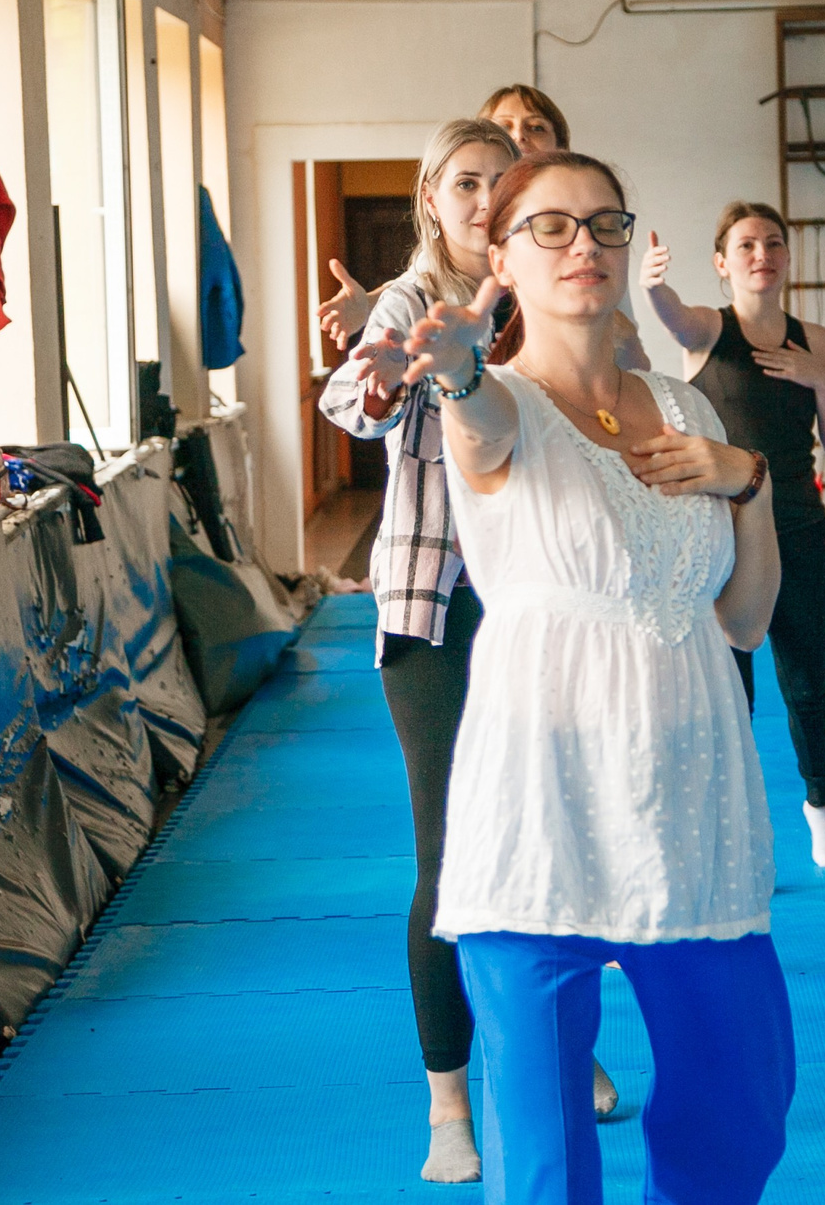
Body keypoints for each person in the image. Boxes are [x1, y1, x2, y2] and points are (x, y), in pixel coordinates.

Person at [399, 149, 794, 1205]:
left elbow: (745, 618)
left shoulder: (688, 409)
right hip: (540, 803)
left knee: (742, 1110)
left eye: (605, 223)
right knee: (544, 1159)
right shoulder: (499, 402)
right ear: (502, 258)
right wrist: (460, 371)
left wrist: (748, 483)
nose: (584, 245)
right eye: (551, 226)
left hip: (690, 798)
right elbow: (479, 424)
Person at [314, 119, 615, 1181]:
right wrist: (387, 375)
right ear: (431, 200)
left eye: (501, 183)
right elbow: (352, 401)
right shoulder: (409, 302)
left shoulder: (540, 292)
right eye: (466, 183)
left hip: (543, 599)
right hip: (437, 611)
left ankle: (553, 1048)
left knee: (557, 837)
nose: (485, 200)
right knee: (449, 857)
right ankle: (449, 1098)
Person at [642, 201, 825, 868]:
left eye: (773, 243)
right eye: (746, 245)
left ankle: (820, 802)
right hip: (722, 528)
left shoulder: (816, 340)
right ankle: (731, 816)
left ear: (787, 256)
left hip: (798, 522)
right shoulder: (709, 329)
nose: (761, 254)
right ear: (723, 262)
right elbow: (675, 317)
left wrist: (821, 380)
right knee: (728, 682)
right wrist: (652, 285)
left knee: (807, 674)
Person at [477, 83, 649, 373]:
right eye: (504, 126)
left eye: (536, 128)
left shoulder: (594, 241)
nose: (519, 136)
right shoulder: (465, 232)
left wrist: (621, 335)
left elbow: (634, 362)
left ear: (561, 149)